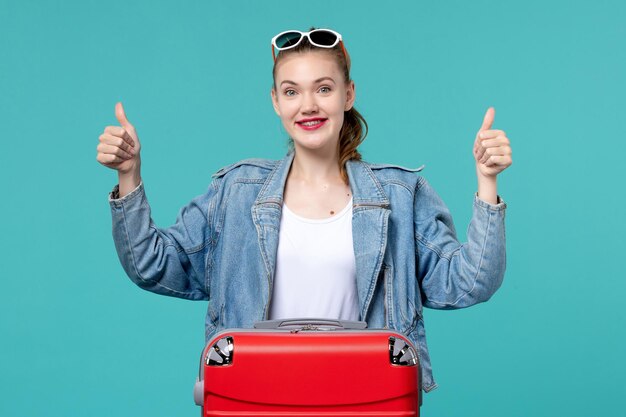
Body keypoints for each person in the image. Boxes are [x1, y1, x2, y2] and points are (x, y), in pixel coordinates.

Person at [96, 27, 512, 396]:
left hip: (365, 399)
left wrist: (487, 181)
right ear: (276, 101)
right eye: (292, 91)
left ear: (348, 95)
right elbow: (151, 264)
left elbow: (469, 283)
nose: (307, 105)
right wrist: (129, 174)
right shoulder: (236, 193)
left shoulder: (400, 195)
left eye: (324, 88)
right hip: (255, 398)